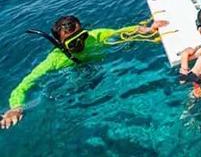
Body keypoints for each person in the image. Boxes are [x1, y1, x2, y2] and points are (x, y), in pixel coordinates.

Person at [1, 15, 165, 129]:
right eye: (73, 42)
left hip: (101, 67)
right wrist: (16, 107)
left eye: (82, 36)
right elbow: (24, 84)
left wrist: (148, 30)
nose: (81, 42)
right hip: (72, 73)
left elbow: (122, 32)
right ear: (60, 44)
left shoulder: (96, 36)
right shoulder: (54, 61)